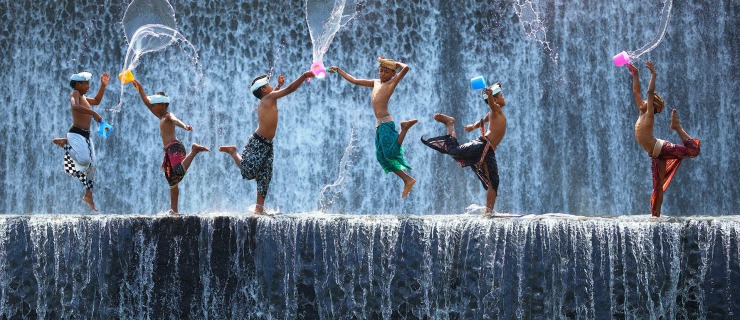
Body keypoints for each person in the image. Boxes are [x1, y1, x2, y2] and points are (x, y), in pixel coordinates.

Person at [218, 71, 311, 214]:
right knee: (248, 172)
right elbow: (290, 89)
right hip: (258, 142)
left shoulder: (269, 98)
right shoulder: (269, 98)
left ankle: (259, 207)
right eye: (268, 85)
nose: (271, 86)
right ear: (263, 89)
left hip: (267, 144)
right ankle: (233, 152)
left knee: (265, 176)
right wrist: (304, 76)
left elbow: (275, 94)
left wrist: (278, 86)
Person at [328, 57, 417, 198]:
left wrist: (395, 64)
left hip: (387, 123)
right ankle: (407, 179)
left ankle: (404, 128)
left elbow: (405, 68)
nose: (382, 74)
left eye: (386, 71)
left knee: (390, 154)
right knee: (381, 157)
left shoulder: (392, 82)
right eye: (380, 70)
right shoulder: (375, 83)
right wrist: (339, 70)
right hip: (380, 124)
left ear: (392, 74)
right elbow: (355, 80)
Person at [421, 83, 507, 216]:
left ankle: (488, 211)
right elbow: (491, 104)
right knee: (454, 151)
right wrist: (490, 95)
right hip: (482, 145)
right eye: (501, 95)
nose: (504, 97)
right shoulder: (495, 109)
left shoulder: (493, 112)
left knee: (494, 182)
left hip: (488, 151)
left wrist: (473, 126)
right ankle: (450, 123)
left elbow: (482, 121)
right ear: (495, 100)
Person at [627, 61, 700, 217]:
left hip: (662, 147)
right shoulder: (642, 112)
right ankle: (656, 217)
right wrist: (636, 74)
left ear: (653, 105)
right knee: (658, 187)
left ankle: (677, 127)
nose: (643, 102)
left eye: (648, 101)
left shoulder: (649, 115)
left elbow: (649, 91)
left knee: (693, 150)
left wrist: (653, 74)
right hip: (656, 154)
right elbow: (636, 92)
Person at [131, 80, 210, 214]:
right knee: (172, 182)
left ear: (162, 105)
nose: (152, 106)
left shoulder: (167, 115)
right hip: (168, 151)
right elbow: (146, 101)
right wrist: (140, 88)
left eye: (154, 104)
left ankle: (194, 150)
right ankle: (174, 210)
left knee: (178, 171)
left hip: (175, 147)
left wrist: (184, 126)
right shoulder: (159, 114)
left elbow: (175, 120)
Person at [52, 71, 110, 211]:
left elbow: (96, 101)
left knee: (93, 165)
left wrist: (103, 86)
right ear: (78, 84)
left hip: (86, 136)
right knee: (84, 160)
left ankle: (88, 195)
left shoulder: (83, 96)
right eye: (86, 83)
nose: (89, 86)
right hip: (76, 134)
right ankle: (66, 143)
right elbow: (74, 106)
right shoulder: (75, 94)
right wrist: (93, 113)